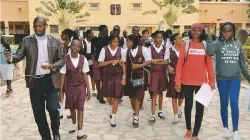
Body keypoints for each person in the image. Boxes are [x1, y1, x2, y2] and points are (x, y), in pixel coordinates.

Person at [4, 16, 65, 140]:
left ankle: (56, 132)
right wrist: (10, 58)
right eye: (35, 26)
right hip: (35, 81)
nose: (37, 28)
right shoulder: (27, 40)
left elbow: (62, 59)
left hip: (51, 80)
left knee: (53, 109)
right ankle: (46, 137)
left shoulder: (55, 41)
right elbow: (19, 55)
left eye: (40, 25)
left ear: (46, 25)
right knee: (39, 114)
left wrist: (53, 66)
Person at [206, 22, 250, 140]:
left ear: (233, 32)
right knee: (224, 103)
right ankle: (226, 128)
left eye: (229, 31)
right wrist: (209, 36)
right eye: (224, 31)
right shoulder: (217, 43)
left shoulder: (238, 44)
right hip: (222, 79)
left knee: (234, 104)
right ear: (221, 32)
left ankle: (235, 131)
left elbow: (241, 63)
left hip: (235, 79)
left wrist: (248, 77)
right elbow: (209, 52)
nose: (226, 33)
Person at [175, 23, 215, 140]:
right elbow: (180, 64)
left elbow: (209, 65)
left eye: (198, 30)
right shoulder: (185, 44)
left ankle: (196, 133)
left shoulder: (205, 45)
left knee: (200, 108)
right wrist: (178, 81)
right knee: (188, 106)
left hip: (202, 82)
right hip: (187, 81)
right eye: (194, 30)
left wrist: (212, 81)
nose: (196, 32)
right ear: (190, 31)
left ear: (202, 32)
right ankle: (188, 129)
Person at [59, 40, 90, 139]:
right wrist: (61, 92)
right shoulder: (65, 59)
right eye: (73, 45)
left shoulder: (83, 59)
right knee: (72, 107)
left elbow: (85, 74)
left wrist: (88, 89)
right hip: (70, 86)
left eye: (78, 46)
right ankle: (74, 124)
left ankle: (80, 132)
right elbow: (63, 75)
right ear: (70, 46)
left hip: (81, 86)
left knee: (80, 107)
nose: (75, 47)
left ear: (80, 48)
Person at [98, 34, 126, 127]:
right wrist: (111, 61)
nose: (116, 44)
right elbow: (100, 63)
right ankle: (111, 107)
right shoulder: (104, 49)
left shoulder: (121, 50)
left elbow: (123, 64)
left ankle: (113, 118)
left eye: (117, 42)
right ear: (110, 41)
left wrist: (124, 76)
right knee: (108, 96)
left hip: (118, 75)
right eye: (114, 41)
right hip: (107, 75)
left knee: (116, 96)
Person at [124, 34, 151, 127]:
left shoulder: (143, 49)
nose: (126, 43)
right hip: (129, 77)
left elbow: (149, 60)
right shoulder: (126, 51)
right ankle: (135, 111)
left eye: (128, 41)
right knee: (131, 96)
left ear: (132, 41)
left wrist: (140, 65)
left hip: (139, 76)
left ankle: (136, 117)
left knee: (138, 96)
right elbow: (124, 63)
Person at [61, 28, 83, 119]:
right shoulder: (65, 45)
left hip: (73, 74)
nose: (61, 36)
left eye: (63, 34)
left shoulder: (73, 45)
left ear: (67, 36)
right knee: (68, 93)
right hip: (65, 71)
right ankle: (71, 111)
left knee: (72, 94)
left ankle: (73, 111)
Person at [148, 31, 168, 123]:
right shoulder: (150, 48)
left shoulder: (165, 49)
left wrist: (155, 61)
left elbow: (166, 61)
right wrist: (160, 60)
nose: (160, 39)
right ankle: (152, 115)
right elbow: (149, 61)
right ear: (154, 38)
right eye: (158, 37)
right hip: (154, 73)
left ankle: (160, 111)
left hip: (162, 73)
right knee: (154, 94)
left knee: (161, 93)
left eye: (161, 37)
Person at [166, 33, 184, 125]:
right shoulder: (169, 50)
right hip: (173, 75)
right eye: (180, 38)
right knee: (174, 96)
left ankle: (179, 107)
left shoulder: (184, 50)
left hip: (183, 76)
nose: (182, 40)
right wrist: (168, 67)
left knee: (181, 95)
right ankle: (175, 115)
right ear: (174, 41)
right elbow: (166, 61)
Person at [91, 25, 109, 104]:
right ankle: (99, 94)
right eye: (105, 30)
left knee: (105, 79)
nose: (107, 31)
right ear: (101, 30)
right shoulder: (95, 39)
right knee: (97, 79)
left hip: (105, 61)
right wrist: (93, 61)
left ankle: (102, 94)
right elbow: (92, 51)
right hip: (97, 61)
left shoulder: (108, 39)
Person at [83, 30, 96, 96]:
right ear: (88, 35)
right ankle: (85, 91)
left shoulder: (93, 42)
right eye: (92, 33)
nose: (93, 34)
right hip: (85, 59)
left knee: (92, 75)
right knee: (84, 75)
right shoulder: (83, 41)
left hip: (91, 59)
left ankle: (94, 90)